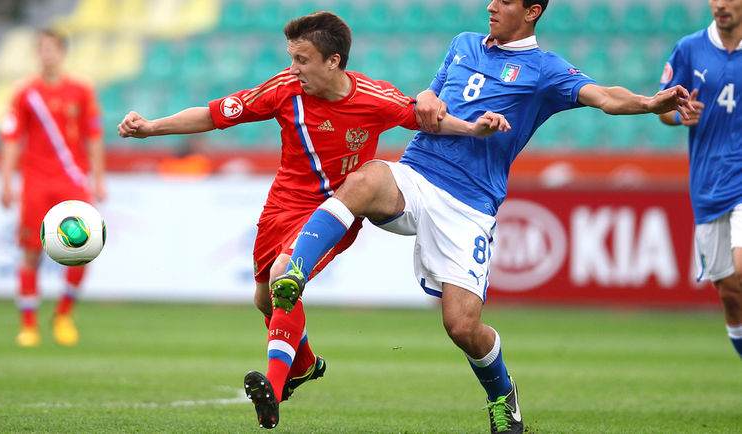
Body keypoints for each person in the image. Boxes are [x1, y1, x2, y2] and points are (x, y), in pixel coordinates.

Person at [270, 2, 693, 432]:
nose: (491, 5)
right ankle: (296, 271)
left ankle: (502, 396)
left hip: (469, 204)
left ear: (531, 12)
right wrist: (429, 97)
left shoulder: (545, 69)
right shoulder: (463, 44)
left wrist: (648, 101)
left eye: (505, 1)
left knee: (462, 326)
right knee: (365, 180)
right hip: (418, 173)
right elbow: (428, 100)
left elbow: (604, 97)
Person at [116, 11, 509, 430]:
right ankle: (304, 364)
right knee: (265, 300)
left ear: (333, 61)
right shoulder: (283, 90)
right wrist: (151, 128)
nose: (292, 68)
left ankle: (273, 385)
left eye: (302, 59)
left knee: (288, 273)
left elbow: (428, 118)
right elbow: (215, 114)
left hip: (337, 211)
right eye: (292, 58)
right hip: (282, 206)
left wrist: (473, 129)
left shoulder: (375, 98)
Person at [0, 28, 106, 348]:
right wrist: (6, 180)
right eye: (42, 48)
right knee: (30, 252)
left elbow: (94, 135)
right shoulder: (24, 92)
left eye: (52, 48)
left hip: (72, 179)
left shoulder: (82, 90)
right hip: (35, 181)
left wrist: (98, 178)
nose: (47, 54)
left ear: (63, 52)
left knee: (85, 250)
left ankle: (63, 314)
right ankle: (28, 325)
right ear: (37, 53)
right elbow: (11, 139)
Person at [658, 0, 742, 359]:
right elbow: (663, 110)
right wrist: (679, 115)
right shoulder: (689, 49)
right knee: (730, 292)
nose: (720, 5)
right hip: (708, 186)